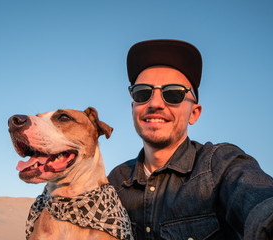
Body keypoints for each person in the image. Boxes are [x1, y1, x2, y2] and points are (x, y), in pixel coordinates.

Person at [108, 39, 273, 240]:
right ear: (133, 108)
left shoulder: (220, 164)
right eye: (143, 93)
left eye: (174, 94)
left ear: (194, 113)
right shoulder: (115, 181)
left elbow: (258, 202)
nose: (155, 103)